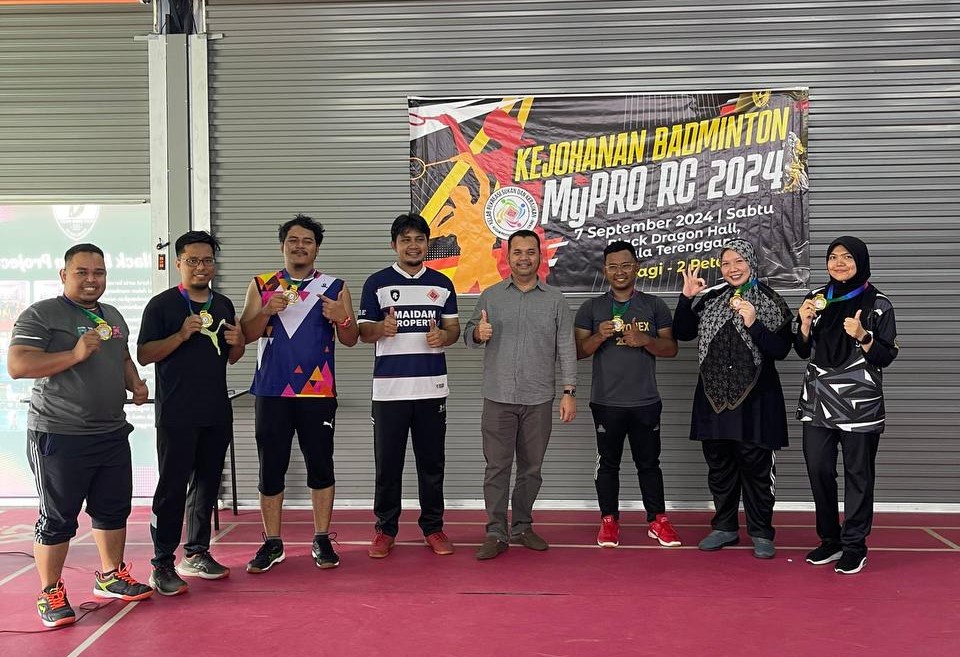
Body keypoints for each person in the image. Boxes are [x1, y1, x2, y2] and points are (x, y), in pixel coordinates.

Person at [8, 243, 153, 628]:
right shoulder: (42, 314)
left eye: (98, 272)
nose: (92, 279)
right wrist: (73, 354)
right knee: (58, 517)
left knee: (113, 509)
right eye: (82, 272)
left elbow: (122, 356)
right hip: (59, 433)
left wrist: (136, 383)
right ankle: (50, 592)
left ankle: (110, 576)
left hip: (111, 431)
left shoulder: (113, 315)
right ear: (64, 275)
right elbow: (18, 365)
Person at [239, 214, 358, 572]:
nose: (300, 246)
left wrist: (342, 317)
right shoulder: (262, 284)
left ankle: (321, 538)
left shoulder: (335, 287)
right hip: (271, 390)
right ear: (282, 245)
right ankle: (272, 542)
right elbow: (245, 335)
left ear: (316, 248)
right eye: (293, 240)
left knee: (320, 465)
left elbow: (351, 339)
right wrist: (266, 311)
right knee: (270, 468)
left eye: (307, 241)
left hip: (318, 393)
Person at [137, 231, 245, 595]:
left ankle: (197, 552)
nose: (201, 267)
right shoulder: (162, 305)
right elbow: (144, 355)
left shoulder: (223, 304)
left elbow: (231, 357)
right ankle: (161, 563)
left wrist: (239, 343)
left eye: (208, 260)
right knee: (172, 488)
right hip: (177, 413)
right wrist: (181, 335)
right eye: (193, 261)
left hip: (215, 411)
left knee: (207, 485)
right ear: (179, 263)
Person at [673, 238, 792, 559]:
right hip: (713, 398)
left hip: (756, 399)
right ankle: (725, 527)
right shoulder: (711, 299)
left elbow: (782, 349)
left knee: (757, 470)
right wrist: (686, 298)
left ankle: (761, 532)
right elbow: (683, 332)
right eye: (725, 263)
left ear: (751, 263)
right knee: (720, 467)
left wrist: (753, 323)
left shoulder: (771, 301)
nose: (732, 269)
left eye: (738, 261)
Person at [464, 229, 577, 560]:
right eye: (517, 252)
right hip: (497, 397)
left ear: (540, 256)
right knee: (497, 468)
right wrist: (478, 333)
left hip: (538, 398)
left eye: (530, 252)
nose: (524, 258)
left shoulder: (555, 300)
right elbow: (468, 334)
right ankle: (496, 531)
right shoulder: (491, 296)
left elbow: (567, 348)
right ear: (507, 256)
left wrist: (569, 391)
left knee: (531, 468)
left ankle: (523, 526)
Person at [358, 213, 460, 558]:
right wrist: (380, 329)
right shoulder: (377, 283)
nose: (413, 246)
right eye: (405, 240)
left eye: (419, 239)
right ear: (394, 245)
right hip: (390, 392)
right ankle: (385, 530)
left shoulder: (442, 284)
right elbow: (363, 332)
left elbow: (453, 330)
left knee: (432, 465)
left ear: (427, 244)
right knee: (388, 465)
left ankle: (433, 528)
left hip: (432, 390)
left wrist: (443, 336)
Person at [794, 236, 898, 575]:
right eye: (833, 257)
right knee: (819, 469)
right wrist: (804, 324)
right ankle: (830, 539)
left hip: (860, 404)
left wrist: (863, 335)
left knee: (858, 475)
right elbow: (801, 349)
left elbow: (886, 355)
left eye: (847, 257)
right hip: (818, 402)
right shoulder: (817, 298)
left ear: (861, 261)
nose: (839, 263)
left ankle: (855, 545)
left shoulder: (878, 304)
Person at [574, 240, 681, 548]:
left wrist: (645, 340)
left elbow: (671, 349)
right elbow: (577, 352)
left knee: (649, 463)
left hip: (645, 400)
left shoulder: (655, 305)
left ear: (636, 268)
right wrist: (599, 336)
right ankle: (609, 520)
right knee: (608, 463)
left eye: (625, 265)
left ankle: (658, 520)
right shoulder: (591, 308)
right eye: (613, 266)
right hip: (606, 402)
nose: (619, 272)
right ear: (604, 271)